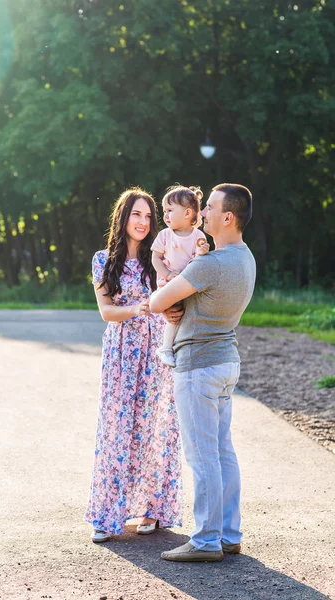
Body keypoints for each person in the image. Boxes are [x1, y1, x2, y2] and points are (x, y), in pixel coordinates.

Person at [150, 183, 256, 562]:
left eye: (209, 207)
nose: (202, 213)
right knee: (223, 451)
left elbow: (157, 300)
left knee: (202, 456)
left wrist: (163, 304)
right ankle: (229, 534)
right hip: (226, 361)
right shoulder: (245, 259)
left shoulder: (210, 263)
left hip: (199, 365)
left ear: (227, 217)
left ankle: (206, 541)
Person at [85, 187, 183, 543]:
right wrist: (139, 308)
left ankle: (152, 511)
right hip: (122, 352)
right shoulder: (102, 260)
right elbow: (107, 311)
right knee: (117, 428)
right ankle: (107, 514)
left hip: (157, 348)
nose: (142, 222)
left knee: (156, 428)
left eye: (148, 216)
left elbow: (178, 291)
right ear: (123, 217)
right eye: (136, 214)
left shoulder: (159, 257)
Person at [151, 185, 209, 368]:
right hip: (168, 283)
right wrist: (167, 274)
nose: (165, 215)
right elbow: (155, 258)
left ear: (187, 213)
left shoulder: (198, 235)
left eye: (169, 210)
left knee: (188, 313)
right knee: (176, 313)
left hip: (188, 283)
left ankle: (180, 346)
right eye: (164, 211)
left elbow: (199, 260)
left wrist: (202, 252)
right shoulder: (165, 235)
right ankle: (166, 347)